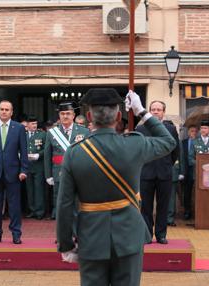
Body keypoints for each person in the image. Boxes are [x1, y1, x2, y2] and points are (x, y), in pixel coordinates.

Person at [57, 88, 176, 286]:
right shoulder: (135, 144)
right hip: (129, 235)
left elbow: (64, 204)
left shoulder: (74, 153)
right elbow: (168, 141)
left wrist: (65, 244)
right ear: (119, 116)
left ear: (88, 117)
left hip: (91, 236)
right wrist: (142, 112)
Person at [0, 100, 29, 245]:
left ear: (11, 112)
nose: (4, 112)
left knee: (14, 205)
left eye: (7, 109)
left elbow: (24, 151)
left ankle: (16, 234)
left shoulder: (19, 128)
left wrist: (23, 170)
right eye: (1, 109)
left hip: (14, 173)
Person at [136, 101, 179, 244]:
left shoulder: (170, 129)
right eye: (153, 109)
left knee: (163, 205)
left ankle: (161, 235)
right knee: (146, 207)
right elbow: (138, 152)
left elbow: (176, 151)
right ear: (149, 111)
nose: (155, 112)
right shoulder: (140, 129)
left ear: (163, 112)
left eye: (158, 110)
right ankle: (147, 234)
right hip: (146, 173)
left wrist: (167, 165)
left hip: (164, 173)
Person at [44, 102, 89, 219]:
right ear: (59, 116)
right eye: (62, 113)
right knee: (60, 203)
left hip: (79, 173)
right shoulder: (52, 133)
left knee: (77, 204)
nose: (65, 116)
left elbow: (88, 155)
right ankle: (62, 235)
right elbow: (47, 155)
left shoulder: (84, 132)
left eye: (68, 113)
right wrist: (48, 175)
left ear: (73, 115)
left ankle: (77, 234)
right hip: (58, 172)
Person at [25, 115, 46, 220]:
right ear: (27, 124)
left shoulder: (42, 134)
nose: (34, 125)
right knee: (30, 189)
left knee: (38, 189)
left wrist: (39, 155)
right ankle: (32, 210)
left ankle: (40, 211)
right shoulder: (23, 135)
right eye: (32, 124)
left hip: (38, 166)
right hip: (27, 166)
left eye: (35, 124)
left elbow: (46, 148)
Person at [180, 125, 198, 220]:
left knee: (196, 192)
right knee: (186, 192)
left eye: (195, 131)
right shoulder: (183, 143)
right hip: (185, 170)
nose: (193, 133)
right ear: (188, 132)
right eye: (192, 131)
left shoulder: (199, 143)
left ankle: (197, 212)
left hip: (195, 169)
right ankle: (187, 211)